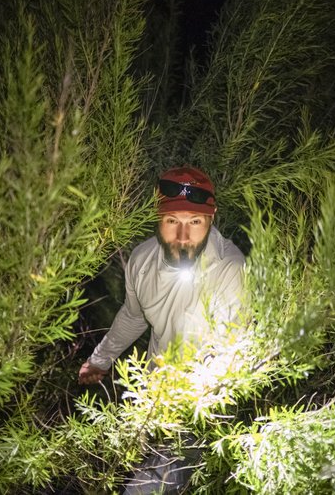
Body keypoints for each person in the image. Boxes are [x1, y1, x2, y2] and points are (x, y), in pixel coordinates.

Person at [77, 166, 245, 494]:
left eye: (194, 222)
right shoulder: (142, 260)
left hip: (201, 410)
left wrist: (176, 404)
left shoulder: (231, 271)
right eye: (172, 222)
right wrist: (101, 358)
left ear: (212, 218)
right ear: (158, 218)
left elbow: (231, 355)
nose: (183, 237)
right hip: (150, 399)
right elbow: (134, 315)